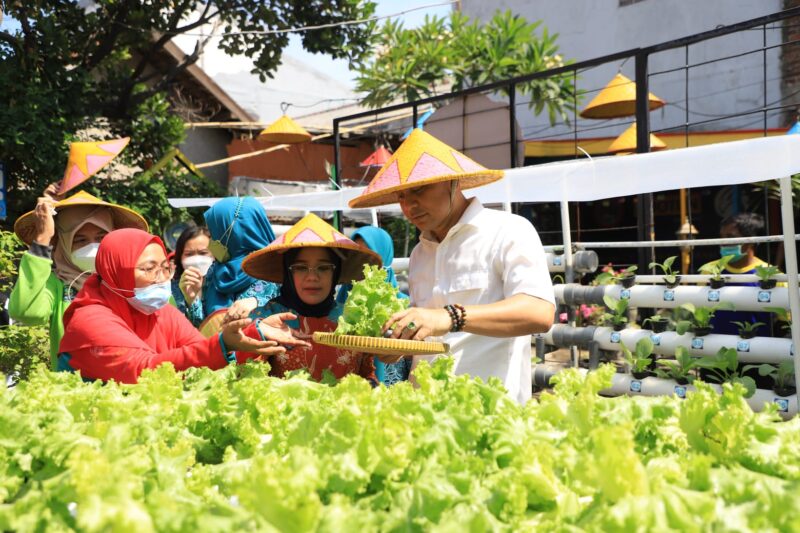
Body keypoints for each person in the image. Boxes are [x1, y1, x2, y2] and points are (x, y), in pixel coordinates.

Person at [349, 129, 555, 404]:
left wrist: (450, 316)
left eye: (419, 190)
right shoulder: (420, 252)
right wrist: (396, 348)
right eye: (401, 195)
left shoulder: (509, 230)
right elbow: (426, 333)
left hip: (489, 412)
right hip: (424, 409)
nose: (409, 205)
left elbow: (539, 312)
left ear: (453, 182)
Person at [57, 228, 309, 383]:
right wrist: (222, 344)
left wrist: (254, 332)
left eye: (165, 268)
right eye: (148, 269)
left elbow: (202, 353)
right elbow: (144, 371)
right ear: (115, 273)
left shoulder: (161, 312)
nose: (161, 277)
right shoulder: (89, 320)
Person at [9, 187, 148, 368]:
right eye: (80, 240)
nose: (93, 247)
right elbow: (26, 313)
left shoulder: (136, 281)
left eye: (101, 237)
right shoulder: (57, 285)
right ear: (64, 244)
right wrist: (43, 238)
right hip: (74, 392)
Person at [239, 213, 382, 382]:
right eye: (300, 267)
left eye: (323, 268)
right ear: (288, 272)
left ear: (335, 273)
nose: (312, 277)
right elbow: (245, 377)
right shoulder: (265, 319)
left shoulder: (353, 319)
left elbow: (367, 376)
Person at [335, 225, 411, 386]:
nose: (363, 265)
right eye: (357, 255)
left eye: (370, 256)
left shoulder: (405, 306)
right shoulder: (342, 302)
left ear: (385, 256)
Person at [201, 197, 280, 329]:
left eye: (214, 233)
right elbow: (202, 328)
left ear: (230, 233)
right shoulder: (214, 272)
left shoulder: (278, 272)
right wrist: (192, 299)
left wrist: (257, 301)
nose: (210, 241)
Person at [700, 212, 778, 336]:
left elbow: (785, 320)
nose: (723, 242)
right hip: (715, 348)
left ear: (751, 241)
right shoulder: (709, 270)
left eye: (730, 237)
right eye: (722, 237)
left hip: (757, 350)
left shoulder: (771, 274)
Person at [171, 225, 213, 326]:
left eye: (203, 253)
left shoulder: (223, 285)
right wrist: (190, 300)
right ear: (180, 257)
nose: (196, 259)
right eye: (189, 254)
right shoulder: (171, 291)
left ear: (214, 255)